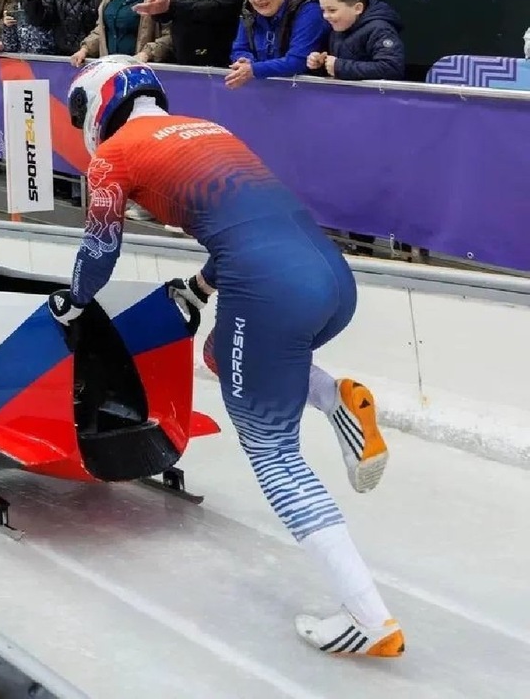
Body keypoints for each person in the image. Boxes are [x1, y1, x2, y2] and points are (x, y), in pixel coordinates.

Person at [48, 54, 404, 657]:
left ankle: (369, 617)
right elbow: (247, 221)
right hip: (330, 278)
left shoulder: (114, 154)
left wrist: (75, 300)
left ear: (97, 105)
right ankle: (334, 398)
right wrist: (201, 290)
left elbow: (101, 246)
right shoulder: (210, 130)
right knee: (220, 352)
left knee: (272, 452)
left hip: (268, 289)